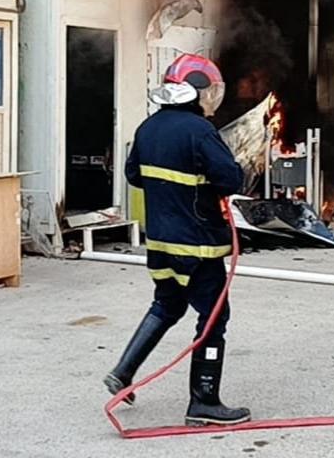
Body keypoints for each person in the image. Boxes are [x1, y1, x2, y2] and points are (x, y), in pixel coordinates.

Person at [104, 54, 251, 427]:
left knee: (167, 305)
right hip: (198, 245)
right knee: (214, 317)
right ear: (196, 90)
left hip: (160, 243)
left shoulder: (148, 128)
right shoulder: (200, 131)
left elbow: (135, 175)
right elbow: (231, 179)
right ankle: (204, 401)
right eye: (211, 91)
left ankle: (123, 371)